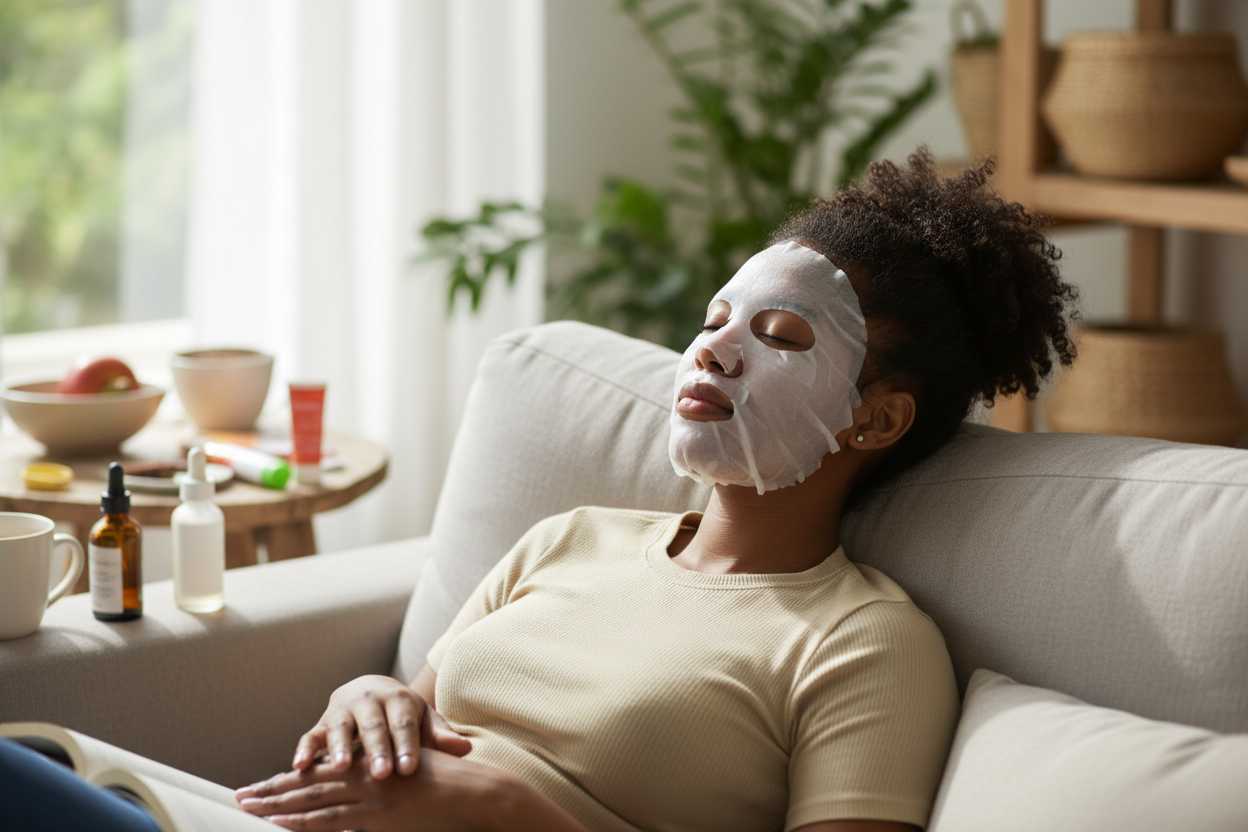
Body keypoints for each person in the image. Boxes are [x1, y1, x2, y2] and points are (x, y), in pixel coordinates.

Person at [0, 149, 1077, 832]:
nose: (712, 352)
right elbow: (416, 714)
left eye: (781, 335)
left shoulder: (862, 642)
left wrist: (516, 811)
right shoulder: (572, 539)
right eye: (714, 320)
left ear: (876, 418)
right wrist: (366, 695)